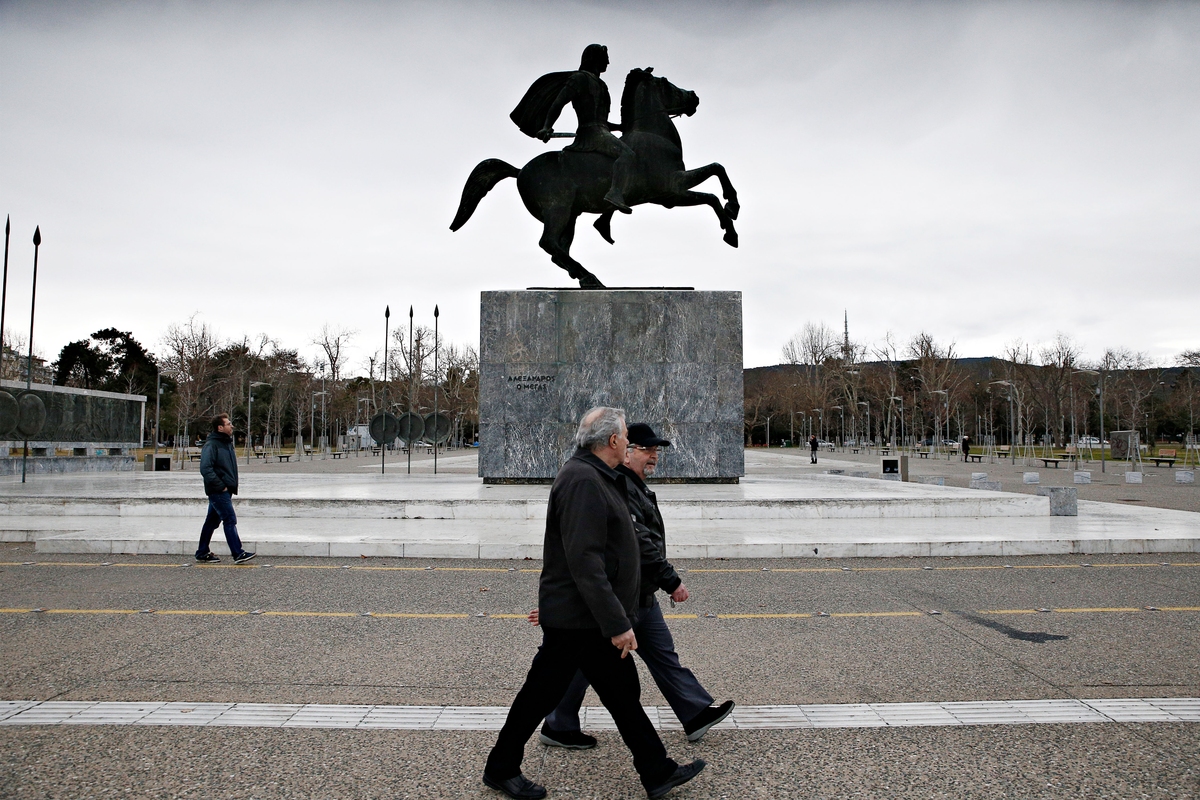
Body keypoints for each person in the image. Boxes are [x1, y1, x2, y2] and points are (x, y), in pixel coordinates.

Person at [483, 407, 705, 800]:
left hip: (586, 619)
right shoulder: (584, 480)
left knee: (622, 693)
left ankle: (657, 771)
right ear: (613, 441)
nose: (628, 442)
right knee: (541, 696)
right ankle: (501, 768)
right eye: (624, 436)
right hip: (577, 621)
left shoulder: (599, 476)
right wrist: (618, 624)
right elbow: (585, 561)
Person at [539, 422, 734, 749]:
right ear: (625, 451)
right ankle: (560, 726)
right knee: (591, 665)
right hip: (621, 597)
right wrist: (670, 579)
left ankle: (695, 712)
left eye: (656, 451)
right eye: (646, 449)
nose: (654, 456)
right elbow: (638, 543)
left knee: (661, 655)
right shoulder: (619, 487)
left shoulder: (635, 486)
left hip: (638, 592)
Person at [512, 43, 636, 213]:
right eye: (604, 60)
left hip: (601, 132)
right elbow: (558, 103)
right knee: (627, 154)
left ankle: (607, 211)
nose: (607, 64)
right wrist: (547, 126)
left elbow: (601, 120)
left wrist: (621, 127)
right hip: (591, 134)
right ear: (594, 59)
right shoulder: (579, 79)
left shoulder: (602, 85)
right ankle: (615, 193)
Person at [195, 413, 255, 564]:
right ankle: (238, 553)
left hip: (224, 490)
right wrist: (220, 486)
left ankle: (202, 552)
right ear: (220, 427)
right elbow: (205, 468)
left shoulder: (226, 443)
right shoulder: (212, 445)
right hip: (218, 490)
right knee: (229, 519)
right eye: (228, 424)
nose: (231, 426)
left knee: (211, 522)